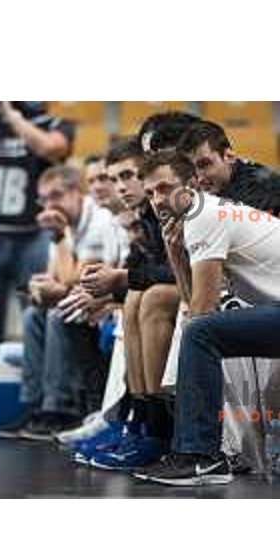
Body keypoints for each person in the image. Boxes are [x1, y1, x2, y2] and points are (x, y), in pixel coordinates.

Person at [135, 151, 280, 486]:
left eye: (165, 188)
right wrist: (175, 255)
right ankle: (195, 451)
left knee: (200, 332)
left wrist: (193, 324)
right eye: (152, 192)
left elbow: (202, 310)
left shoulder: (204, 213)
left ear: (192, 183)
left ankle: (200, 456)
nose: (158, 200)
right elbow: (193, 304)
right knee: (199, 331)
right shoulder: (202, 214)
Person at [58, 137, 180, 468]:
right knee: (127, 303)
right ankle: (132, 423)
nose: (120, 186)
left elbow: (173, 273)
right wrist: (110, 291)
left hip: (203, 295)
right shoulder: (138, 217)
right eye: (113, 179)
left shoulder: (165, 210)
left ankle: (153, 428)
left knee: (144, 299)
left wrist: (117, 287)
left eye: (128, 176)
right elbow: (142, 271)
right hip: (158, 295)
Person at [0, 101, 75, 369]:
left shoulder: (54, 124)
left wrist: (10, 114)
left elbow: (51, 148)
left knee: (36, 319)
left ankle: (38, 397)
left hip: (32, 236)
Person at [16, 165, 121, 439]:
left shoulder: (96, 220)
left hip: (106, 302)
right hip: (85, 298)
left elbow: (78, 281)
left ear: (77, 193)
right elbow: (55, 279)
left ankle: (60, 408)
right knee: (33, 314)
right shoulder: (62, 223)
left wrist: (59, 237)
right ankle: (34, 403)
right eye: (44, 199)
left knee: (58, 314)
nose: (50, 205)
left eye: (56, 196)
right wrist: (39, 289)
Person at [177, 119, 280, 217]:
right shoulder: (193, 189)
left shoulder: (262, 191)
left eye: (205, 165)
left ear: (229, 157)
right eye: (190, 169)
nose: (199, 179)